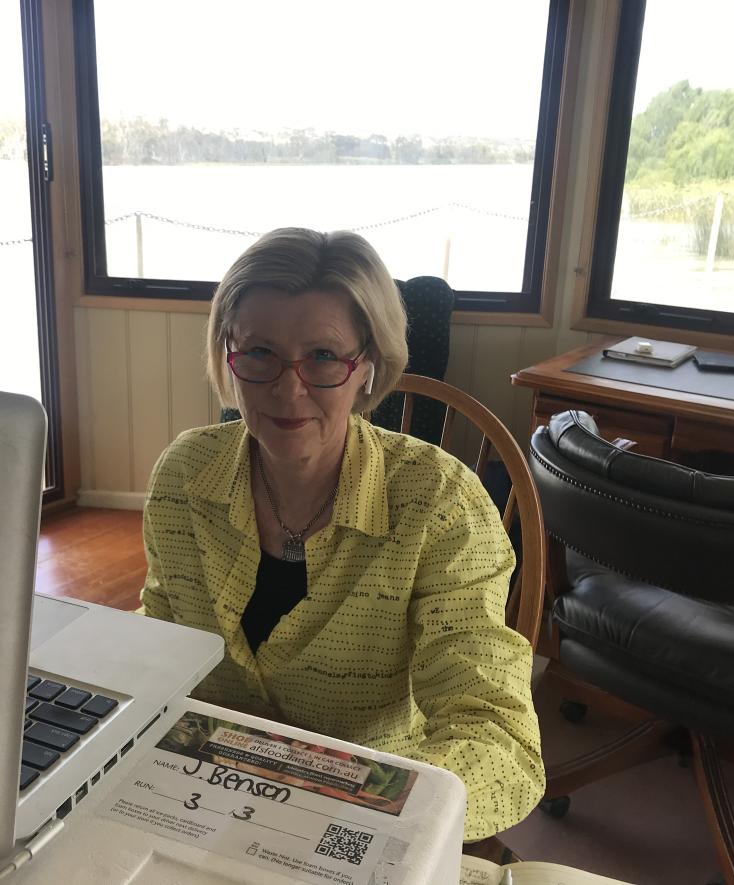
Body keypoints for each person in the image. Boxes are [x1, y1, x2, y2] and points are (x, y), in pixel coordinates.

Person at [139, 227, 544, 841]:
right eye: (259, 352)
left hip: (364, 825)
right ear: (228, 352)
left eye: (323, 356)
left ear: (368, 368)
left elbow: (498, 739)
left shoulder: (438, 505)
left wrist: (357, 814)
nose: (287, 386)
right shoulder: (184, 476)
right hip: (196, 801)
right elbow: (157, 649)